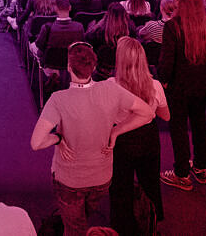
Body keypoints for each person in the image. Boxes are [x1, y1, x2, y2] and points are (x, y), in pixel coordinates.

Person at [30, 41, 154, 236]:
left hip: (69, 181)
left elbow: (36, 143)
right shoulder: (112, 89)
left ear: (69, 67)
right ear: (94, 67)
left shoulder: (58, 100)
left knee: (74, 228)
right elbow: (147, 113)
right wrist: (116, 131)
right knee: (83, 216)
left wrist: (58, 138)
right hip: (102, 178)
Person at [108, 37, 171, 236]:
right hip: (148, 138)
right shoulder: (156, 85)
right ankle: (151, 224)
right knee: (150, 183)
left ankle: (122, 228)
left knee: (120, 186)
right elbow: (166, 116)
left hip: (121, 140)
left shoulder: (110, 86)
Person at [159, 0, 206, 191]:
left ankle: (182, 174)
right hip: (201, 85)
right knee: (200, 125)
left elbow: (166, 61)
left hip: (179, 86)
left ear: (180, 3)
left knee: (179, 128)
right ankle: (200, 167)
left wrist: (164, 81)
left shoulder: (172, 27)